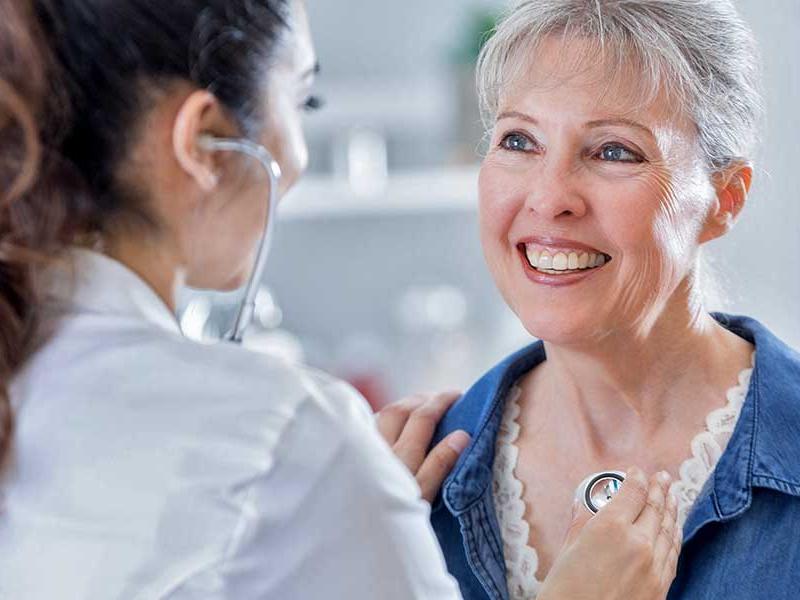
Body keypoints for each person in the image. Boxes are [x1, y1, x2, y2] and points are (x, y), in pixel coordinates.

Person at [0, 0, 678, 598]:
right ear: (205, 142)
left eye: (614, 151)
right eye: (302, 104)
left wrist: (346, 524)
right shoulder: (281, 440)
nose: (551, 198)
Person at [428, 1, 800, 599]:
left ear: (724, 198)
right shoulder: (410, 485)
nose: (550, 199)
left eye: (613, 151)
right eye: (519, 140)